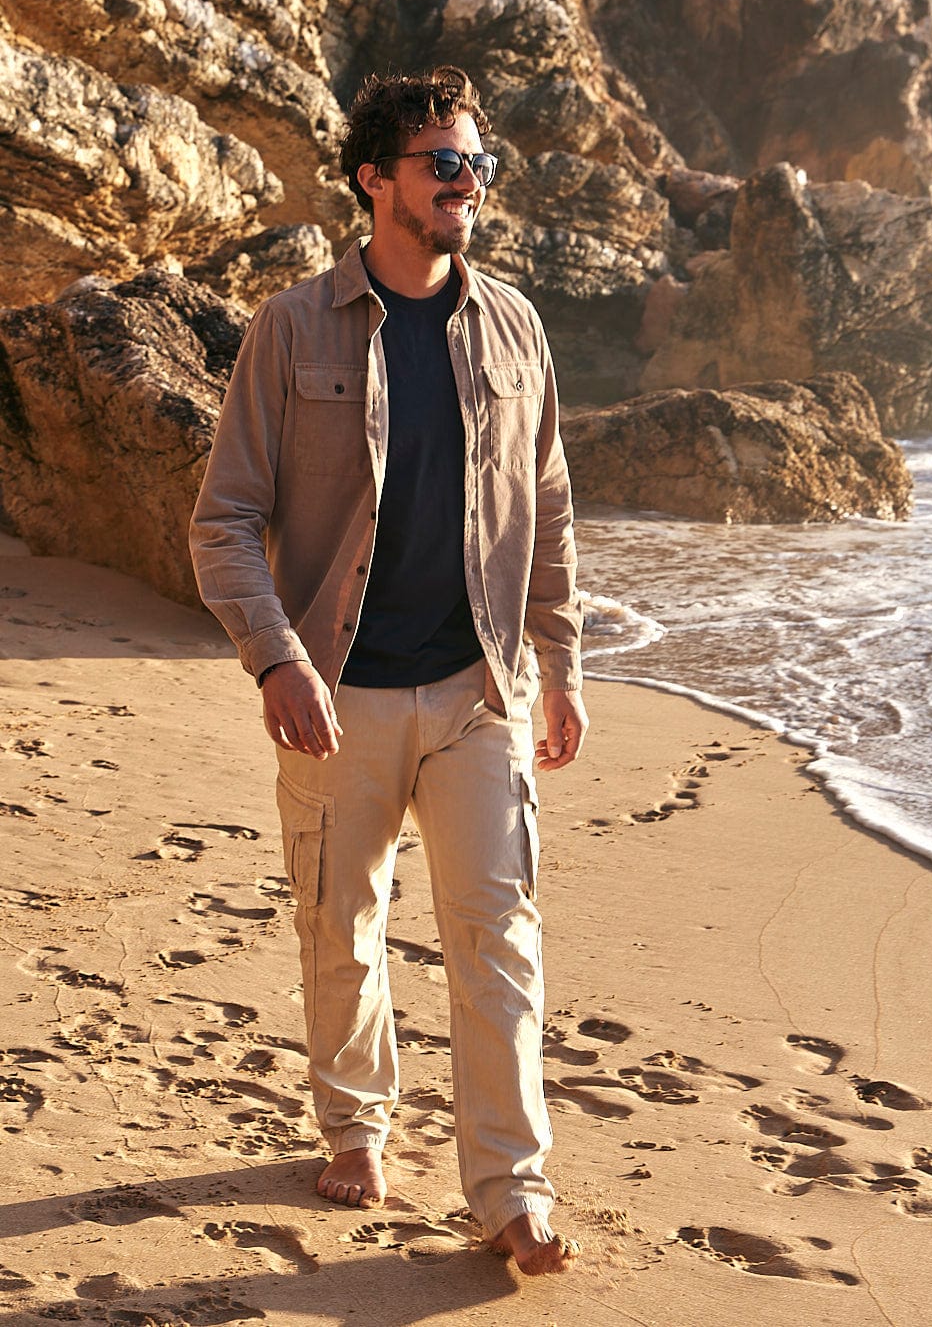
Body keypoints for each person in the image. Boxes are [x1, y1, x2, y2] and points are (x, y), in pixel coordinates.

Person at [188, 65, 587, 1276]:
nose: (471, 185)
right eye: (448, 164)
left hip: (479, 690)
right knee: (341, 922)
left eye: (481, 165)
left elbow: (552, 504)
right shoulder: (291, 328)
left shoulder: (515, 325)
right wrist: (276, 661)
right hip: (336, 691)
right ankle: (355, 1126)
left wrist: (560, 660)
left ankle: (514, 1194)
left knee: (497, 936)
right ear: (377, 180)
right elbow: (224, 523)